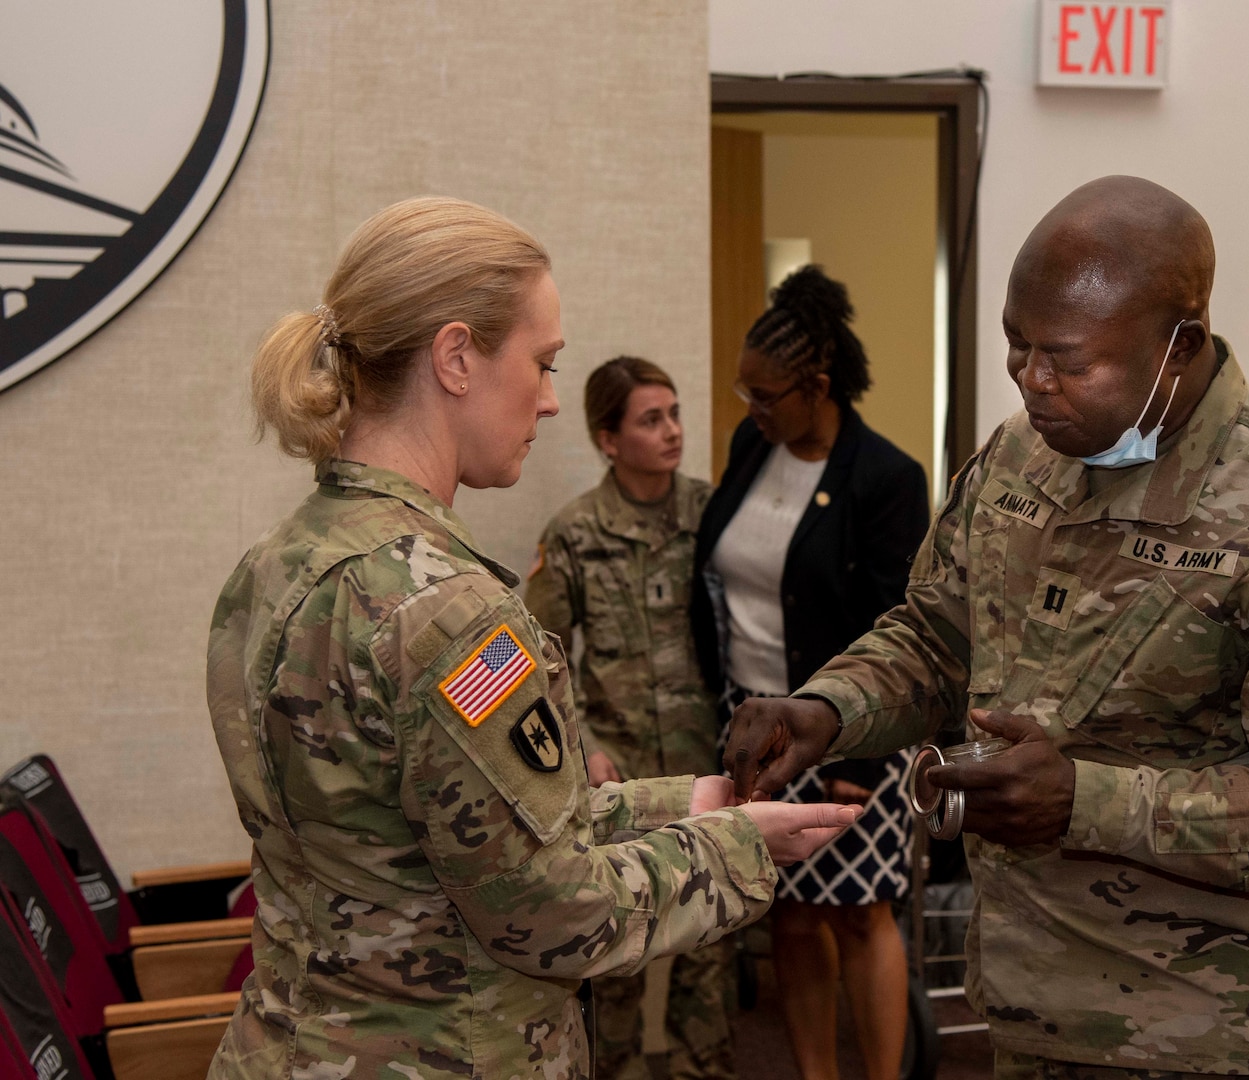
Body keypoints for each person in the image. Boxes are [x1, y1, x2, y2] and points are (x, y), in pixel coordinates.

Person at [725, 177, 1249, 1080]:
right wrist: (829, 710)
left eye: (1068, 359)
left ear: (1182, 347)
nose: (1032, 381)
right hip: (1028, 1011)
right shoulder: (1024, 455)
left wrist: (1084, 801)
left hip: (1208, 1037)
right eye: (1017, 348)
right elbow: (939, 639)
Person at [205, 196, 858, 1080]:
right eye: (544, 364)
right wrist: (745, 848)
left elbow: (450, 832)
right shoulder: (450, 613)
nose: (551, 402)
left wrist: (686, 804)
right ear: (457, 357)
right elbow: (553, 915)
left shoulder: (274, 566)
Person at [692, 265, 931, 1080]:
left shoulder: (885, 479)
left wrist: (858, 761)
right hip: (754, 720)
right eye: (743, 393)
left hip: (846, 734)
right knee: (788, 914)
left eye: (764, 396)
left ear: (818, 386)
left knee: (862, 915)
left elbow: (898, 628)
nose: (749, 411)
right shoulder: (751, 447)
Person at [523, 356, 735, 1080]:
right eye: (652, 419)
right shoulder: (576, 533)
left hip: (706, 761)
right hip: (619, 776)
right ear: (608, 439)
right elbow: (539, 663)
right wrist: (581, 751)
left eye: (675, 413)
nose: (673, 431)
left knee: (709, 946)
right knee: (613, 955)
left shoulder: (714, 515)